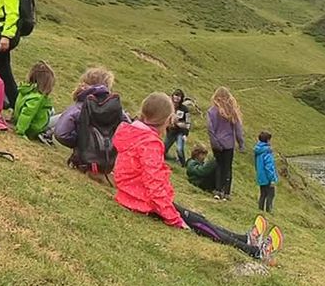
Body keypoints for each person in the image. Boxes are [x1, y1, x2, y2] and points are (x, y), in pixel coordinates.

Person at [113, 92, 278, 259]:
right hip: (142, 201)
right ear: (165, 120)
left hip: (132, 194)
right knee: (199, 223)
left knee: (199, 218)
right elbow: (154, 185)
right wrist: (173, 218)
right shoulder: (150, 143)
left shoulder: (133, 132)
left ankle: (246, 239)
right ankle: (255, 252)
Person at [207, 87, 245, 201]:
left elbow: (210, 129)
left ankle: (218, 191)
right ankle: (226, 192)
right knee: (227, 168)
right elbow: (238, 129)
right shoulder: (232, 112)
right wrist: (241, 143)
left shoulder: (211, 111)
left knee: (219, 166)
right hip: (228, 143)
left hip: (216, 144)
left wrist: (215, 142)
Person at [13, 61, 55, 139]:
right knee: (59, 117)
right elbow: (26, 114)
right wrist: (20, 131)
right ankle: (47, 134)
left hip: (20, 121)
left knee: (52, 111)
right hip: (33, 128)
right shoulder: (37, 98)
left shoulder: (26, 89)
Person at [164, 89, 191, 166]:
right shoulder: (168, 107)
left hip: (180, 132)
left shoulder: (185, 109)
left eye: (179, 96)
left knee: (179, 149)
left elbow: (188, 122)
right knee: (163, 149)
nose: (177, 98)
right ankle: (172, 159)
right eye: (176, 95)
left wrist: (185, 134)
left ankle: (183, 164)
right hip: (170, 132)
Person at [255, 131, 278, 213]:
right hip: (268, 178)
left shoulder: (258, 150)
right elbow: (269, 166)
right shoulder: (267, 152)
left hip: (261, 176)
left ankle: (260, 210)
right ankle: (269, 211)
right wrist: (272, 179)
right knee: (271, 194)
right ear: (268, 140)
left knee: (262, 194)